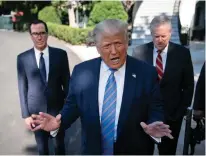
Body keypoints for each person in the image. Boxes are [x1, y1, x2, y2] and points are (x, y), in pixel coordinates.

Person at [31, 19, 173, 155]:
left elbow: (156, 107)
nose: (114, 51)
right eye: (107, 46)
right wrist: (59, 123)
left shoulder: (146, 73)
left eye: (118, 43)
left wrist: (155, 123)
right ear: (97, 48)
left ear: (127, 42)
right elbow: (72, 105)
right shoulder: (81, 71)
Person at [132, 15, 194, 155]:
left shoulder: (182, 53)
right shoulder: (139, 52)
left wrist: (179, 112)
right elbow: (133, 85)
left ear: (170, 33)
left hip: (172, 118)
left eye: (163, 36)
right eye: (156, 36)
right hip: (145, 118)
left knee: (168, 153)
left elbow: (188, 85)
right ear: (151, 34)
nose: (159, 40)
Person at [17, 19, 70, 155]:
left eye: (42, 33)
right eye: (35, 34)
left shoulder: (60, 55)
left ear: (47, 34)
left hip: (57, 110)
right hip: (36, 112)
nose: (39, 37)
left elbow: (68, 84)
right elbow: (22, 87)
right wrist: (26, 115)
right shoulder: (22, 58)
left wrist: (67, 110)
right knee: (42, 148)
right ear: (30, 36)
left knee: (59, 146)